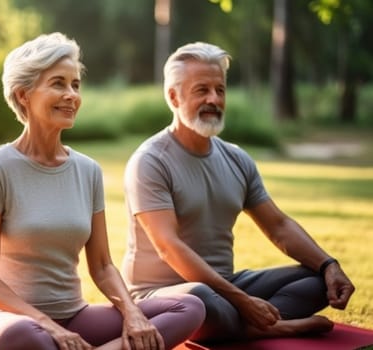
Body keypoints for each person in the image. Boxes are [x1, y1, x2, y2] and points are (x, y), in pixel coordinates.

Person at [0, 32, 206, 350]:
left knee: (189, 307)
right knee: (23, 339)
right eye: (58, 83)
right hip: (6, 318)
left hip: (73, 317)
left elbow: (103, 265)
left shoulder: (87, 170)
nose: (72, 95)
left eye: (75, 85)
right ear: (23, 95)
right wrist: (47, 325)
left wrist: (132, 312)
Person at [121, 41, 355, 344]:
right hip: (163, 294)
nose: (214, 99)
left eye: (220, 90)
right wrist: (243, 301)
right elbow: (169, 246)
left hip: (225, 285)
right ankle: (267, 325)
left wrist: (329, 265)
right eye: (201, 90)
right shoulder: (150, 161)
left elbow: (278, 226)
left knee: (315, 280)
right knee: (200, 300)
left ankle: (245, 327)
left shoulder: (236, 158)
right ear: (173, 97)